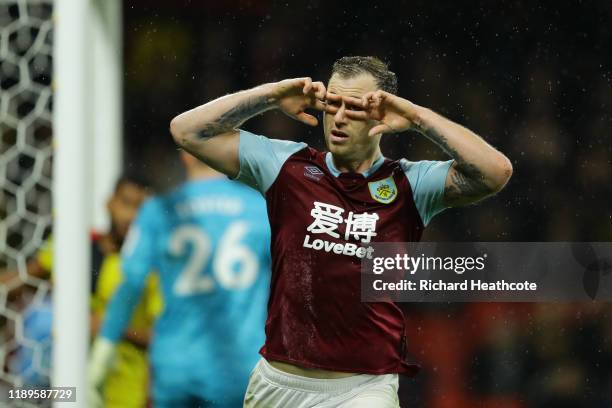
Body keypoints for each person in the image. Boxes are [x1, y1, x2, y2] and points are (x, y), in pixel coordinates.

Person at [169, 56, 513, 406]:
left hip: (364, 388)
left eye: (354, 107)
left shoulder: (410, 183)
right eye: (333, 104)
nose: (339, 117)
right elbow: (186, 131)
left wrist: (417, 118)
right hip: (279, 383)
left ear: (381, 114)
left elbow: (495, 171)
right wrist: (271, 96)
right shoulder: (286, 166)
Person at [89, 152, 272, 407]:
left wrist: (103, 349)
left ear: (185, 154)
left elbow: (130, 283)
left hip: (175, 364)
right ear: (230, 151)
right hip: (239, 366)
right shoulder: (260, 210)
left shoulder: (159, 210)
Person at [0, 175, 157, 407]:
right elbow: (20, 281)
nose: (131, 216)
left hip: (123, 397)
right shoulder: (73, 245)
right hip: (63, 388)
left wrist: (110, 328)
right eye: (127, 203)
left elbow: (164, 337)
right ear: (109, 202)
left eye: (141, 209)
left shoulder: (154, 266)